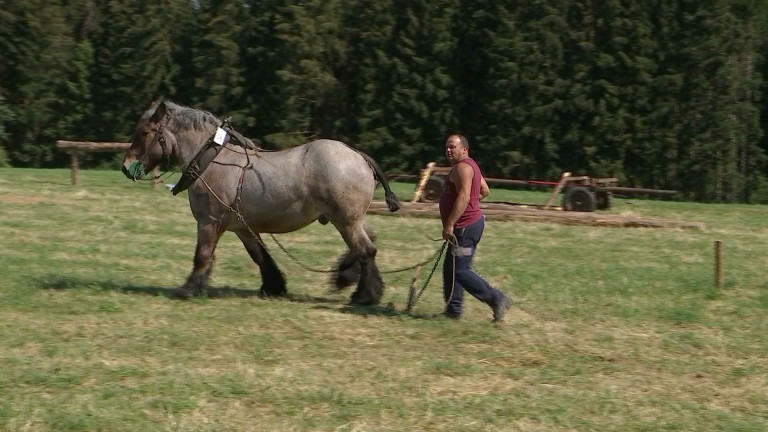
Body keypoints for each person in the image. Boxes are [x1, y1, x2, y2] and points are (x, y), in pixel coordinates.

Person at [439, 134, 510, 321]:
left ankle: (497, 298)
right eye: (447, 147)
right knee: (450, 268)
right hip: (466, 226)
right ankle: (453, 311)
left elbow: (464, 197)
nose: (448, 150)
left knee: (461, 270)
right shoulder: (470, 166)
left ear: (464, 149)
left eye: (452, 147)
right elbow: (484, 190)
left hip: (465, 228)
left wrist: (450, 223)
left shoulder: (463, 167)